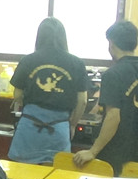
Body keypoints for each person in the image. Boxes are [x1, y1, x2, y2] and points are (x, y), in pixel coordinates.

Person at [73, 21, 138, 175]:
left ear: (111, 44)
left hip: (115, 158)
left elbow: (113, 116)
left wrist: (92, 151)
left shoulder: (112, 74)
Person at [8, 17, 88, 165]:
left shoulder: (28, 60)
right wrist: (72, 125)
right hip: (58, 129)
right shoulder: (77, 63)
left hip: (29, 128)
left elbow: (17, 95)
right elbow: (82, 101)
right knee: (55, 174)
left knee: (22, 176)